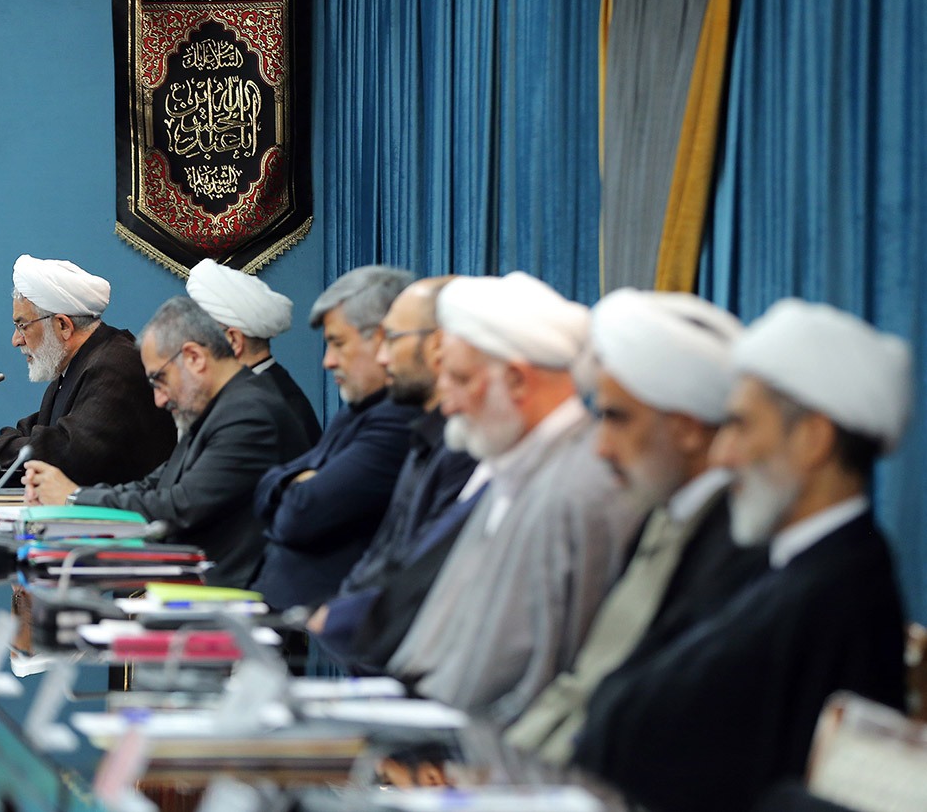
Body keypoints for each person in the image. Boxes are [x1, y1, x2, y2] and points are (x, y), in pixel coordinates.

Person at [573, 299, 911, 812]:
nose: (723, 455)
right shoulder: (777, 568)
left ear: (813, 440)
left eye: (740, 426)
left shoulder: (844, 590)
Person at [504, 288, 768, 764]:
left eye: (617, 419)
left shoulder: (738, 550)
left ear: (687, 429)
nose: (601, 448)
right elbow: (586, 684)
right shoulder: (664, 516)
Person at [385, 273, 645, 719]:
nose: (448, 404)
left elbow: (556, 673)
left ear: (517, 381)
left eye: (460, 379)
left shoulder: (582, 489)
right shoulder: (510, 469)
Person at [20, 296, 312, 588]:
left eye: (159, 380)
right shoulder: (220, 407)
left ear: (194, 358)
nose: (159, 399)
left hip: (236, 595)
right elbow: (154, 485)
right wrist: (72, 496)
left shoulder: (249, 414)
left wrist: (73, 497)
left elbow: (179, 507)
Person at [306, 276, 477, 652]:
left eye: (393, 339)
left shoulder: (464, 449)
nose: (384, 358)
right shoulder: (422, 433)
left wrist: (341, 616)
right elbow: (386, 550)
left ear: (437, 346)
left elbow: (418, 572)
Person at [248, 266, 418, 610]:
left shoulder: (399, 420)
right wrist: (296, 482)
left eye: (338, 343)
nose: (327, 362)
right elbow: (264, 488)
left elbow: (300, 514)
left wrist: (296, 484)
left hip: (334, 617)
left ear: (383, 339)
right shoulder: (358, 410)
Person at [0, 256, 176, 486]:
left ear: (63, 325)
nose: (16, 340)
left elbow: (69, 451)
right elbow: (34, 435)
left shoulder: (115, 365)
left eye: (22, 326)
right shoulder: (81, 363)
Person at [186, 258, 322, 444]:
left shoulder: (266, 407)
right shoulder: (258, 392)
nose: (193, 351)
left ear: (234, 341)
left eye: (201, 337)